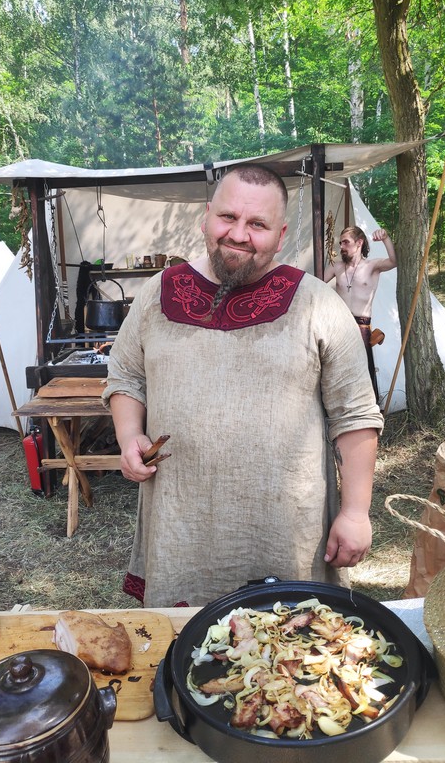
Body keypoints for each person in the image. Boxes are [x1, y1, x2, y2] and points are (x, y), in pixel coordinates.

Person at [102, 165, 383, 608]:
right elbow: (125, 376)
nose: (238, 234)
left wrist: (354, 512)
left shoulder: (317, 304)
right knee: (181, 644)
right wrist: (128, 434)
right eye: (228, 217)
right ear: (206, 216)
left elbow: (356, 414)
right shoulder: (158, 293)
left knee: (287, 640)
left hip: (285, 533)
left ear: (281, 234)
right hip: (180, 529)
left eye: (257, 224)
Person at [324, 226, 397, 401]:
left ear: (359, 243)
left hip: (361, 327)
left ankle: (368, 409)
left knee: (363, 373)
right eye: (341, 243)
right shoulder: (336, 267)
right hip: (339, 326)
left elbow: (394, 261)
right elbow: (315, 283)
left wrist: (385, 238)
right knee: (337, 371)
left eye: (346, 242)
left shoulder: (372, 266)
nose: (342, 246)